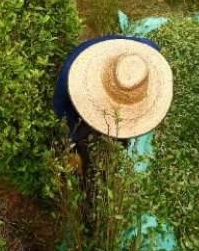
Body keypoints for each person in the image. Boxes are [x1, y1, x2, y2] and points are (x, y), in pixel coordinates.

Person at [53, 35, 173, 174]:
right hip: (76, 111)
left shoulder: (143, 58)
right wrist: (74, 147)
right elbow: (62, 114)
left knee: (118, 140)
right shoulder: (71, 81)